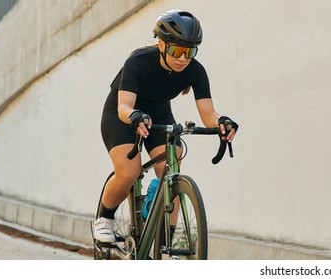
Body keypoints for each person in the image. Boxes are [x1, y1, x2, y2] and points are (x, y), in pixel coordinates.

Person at [94, 10, 238, 243]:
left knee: (172, 169)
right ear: (161, 44)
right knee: (129, 172)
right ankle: (104, 219)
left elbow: (208, 113)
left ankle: (166, 242)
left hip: (158, 114)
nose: (183, 58)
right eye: (177, 50)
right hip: (122, 115)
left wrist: (222, 121)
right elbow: (124, 107)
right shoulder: (138, 61)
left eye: (189, 52)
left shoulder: (195, 70)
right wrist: (134, 116)